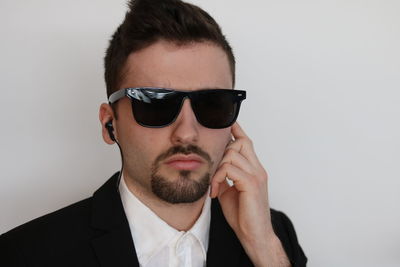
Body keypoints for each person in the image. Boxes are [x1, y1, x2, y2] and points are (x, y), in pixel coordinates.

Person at [0, 0, 307, 266]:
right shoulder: (25, 254)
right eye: (156, 105)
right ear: (110, 125)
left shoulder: (275, 237)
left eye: (212, 105)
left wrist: (265, 250)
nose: (187, 134)